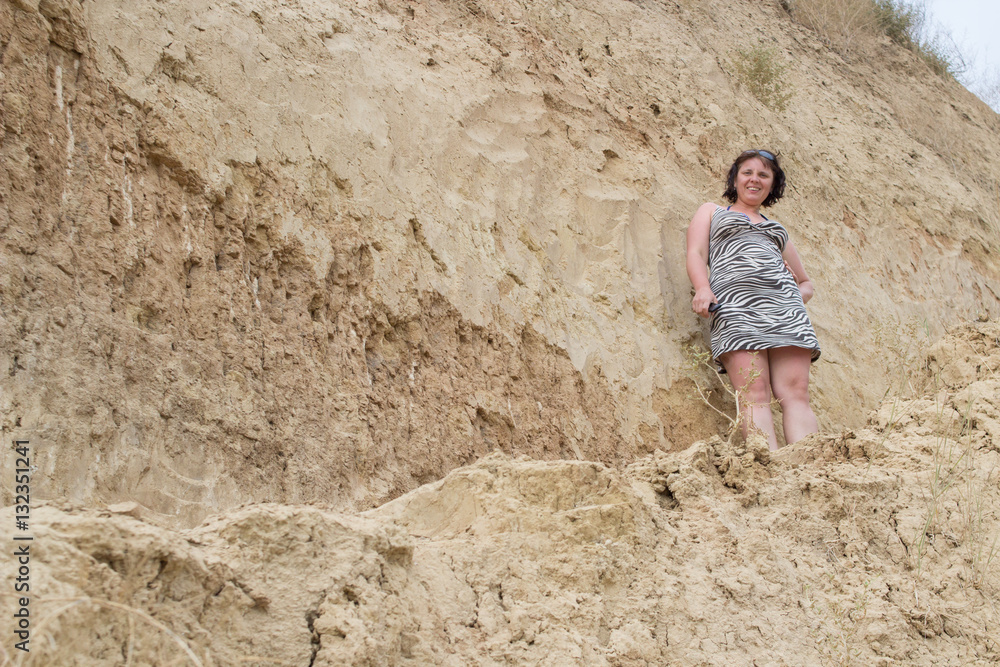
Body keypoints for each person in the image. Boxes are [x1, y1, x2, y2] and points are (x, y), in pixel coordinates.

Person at [685, 149, 820, 450]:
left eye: (763, 175)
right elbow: (695, 253)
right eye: (747, 172)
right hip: (736, 307)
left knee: (796, 391)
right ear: (735, 178)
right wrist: (703, 288)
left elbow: (807, 283)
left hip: (785, 312)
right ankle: (769, 471)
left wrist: (790, 297)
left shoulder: (777, 230)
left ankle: (810, 470)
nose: (754, 179)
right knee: (753, 392)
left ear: (773, 185)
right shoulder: (712, 211)